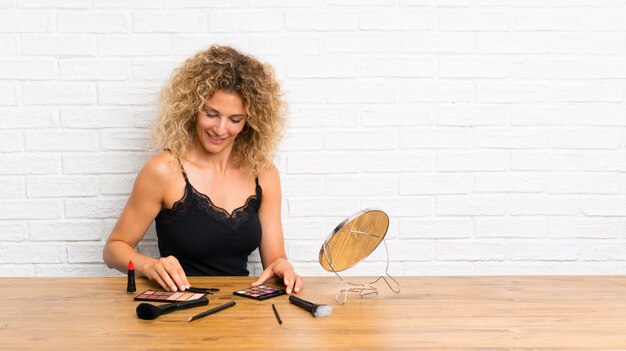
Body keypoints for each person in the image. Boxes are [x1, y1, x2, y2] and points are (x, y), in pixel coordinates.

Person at [103, 45, 303, 295]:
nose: (220, 129)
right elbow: (114, 249)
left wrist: (282, 266)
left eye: (234, 119)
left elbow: (274, 261)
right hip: (180, 308)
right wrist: (151, 266)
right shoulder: (164, 170)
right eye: (211, 114)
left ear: (250, 122)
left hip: (243, 310)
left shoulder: (263, 172)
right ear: (193, 109)